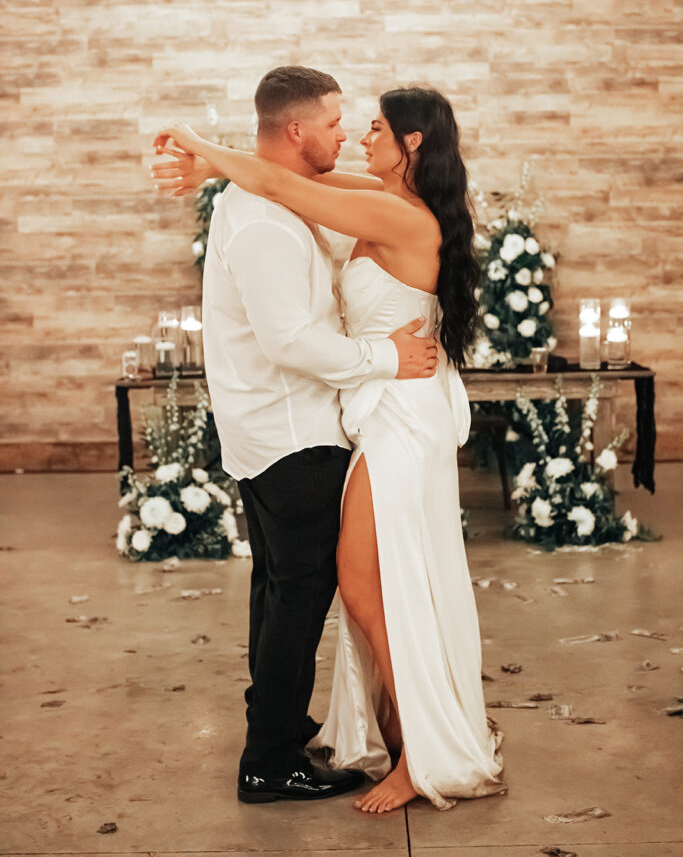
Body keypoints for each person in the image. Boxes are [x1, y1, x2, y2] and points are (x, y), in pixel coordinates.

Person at [152, 79, 505, 814]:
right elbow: (282, 177)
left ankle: (418, 754)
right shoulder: (384, 199)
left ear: (411, 144)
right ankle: (407, 727)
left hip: (401, 417)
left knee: (370, 588)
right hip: (380, 412)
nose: (355, 137)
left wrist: (202, 150)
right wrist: (213, 162)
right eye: (348, 124)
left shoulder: (390, 212)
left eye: (373, 128)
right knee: (376, 588)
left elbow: (283, 181)